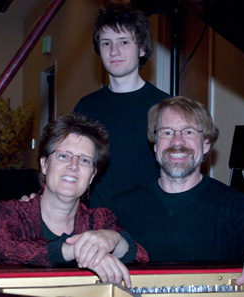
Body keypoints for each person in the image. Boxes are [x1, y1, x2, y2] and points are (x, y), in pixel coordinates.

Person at [110, 96, 244, 290]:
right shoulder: (123, 206)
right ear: (155, 144)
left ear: (206, 144)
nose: (177, 141)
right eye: (167, 132)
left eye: (189, 132)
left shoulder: (231, 204)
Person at [0, 114, 148, 288]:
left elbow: (141, 257)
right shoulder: (8, 213)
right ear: (44, 164)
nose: (74, 165)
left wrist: (115, 239)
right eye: (63, 156)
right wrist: (77, 251)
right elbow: (4, 250)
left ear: (92, 175)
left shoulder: (101, 220)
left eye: (84, 160)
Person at [74, 4, 169, 209]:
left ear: (142, 49)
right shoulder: (86, 106)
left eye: (123, 42)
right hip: (96, 223)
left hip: (147, 222)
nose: (114, 51)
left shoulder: (166, 107)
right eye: (106, 43)